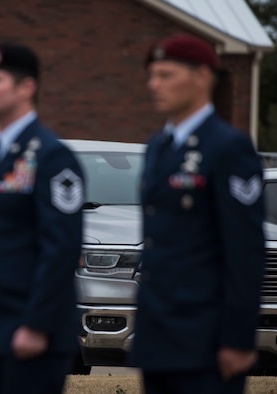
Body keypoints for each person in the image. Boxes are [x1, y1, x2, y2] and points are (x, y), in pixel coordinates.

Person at [130, 34, 265, 394]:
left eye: (166, 75)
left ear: (202, 77)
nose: (153, 85)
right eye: (152, 75)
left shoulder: (228, 147)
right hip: (159, 333)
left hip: (205, 337)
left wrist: (238, 338)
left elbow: (244, 250)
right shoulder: (158, 146)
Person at [0, 43, 85, 394]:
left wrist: (37, 324)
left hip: (30, 331)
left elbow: (60, 248)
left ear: (26, 87)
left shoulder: (51, 157)